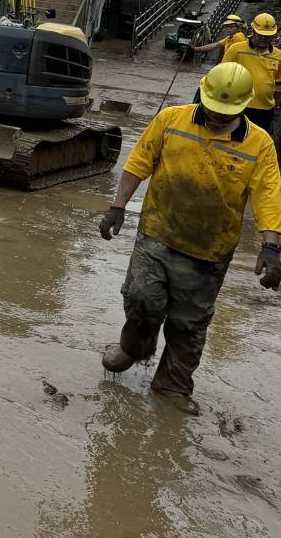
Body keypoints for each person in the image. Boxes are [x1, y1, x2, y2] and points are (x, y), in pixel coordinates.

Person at [99, 62, 281, 414]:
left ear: (244, 106)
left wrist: (272, 246)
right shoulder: (171, 120)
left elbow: (268, 196)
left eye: (225, 113)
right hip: (157, 231)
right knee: (141, 298)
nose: (215, 116)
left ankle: (172, 385)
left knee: (189, 322)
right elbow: (139, 161)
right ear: (202, 94)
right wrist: (117, 207)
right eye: (212, 108)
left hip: (209, 251)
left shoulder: (260, 144)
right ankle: (134, 348)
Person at [221, 12, 281, 135]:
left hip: (264, 111)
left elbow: (279, 86)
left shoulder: (278, 56)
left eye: (268, 36)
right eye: (261, 35)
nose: (264, 39)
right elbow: (222, 76)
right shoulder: (236, 50)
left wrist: (276, 110)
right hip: (238, 107)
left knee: (257, 144)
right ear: (253, 31)